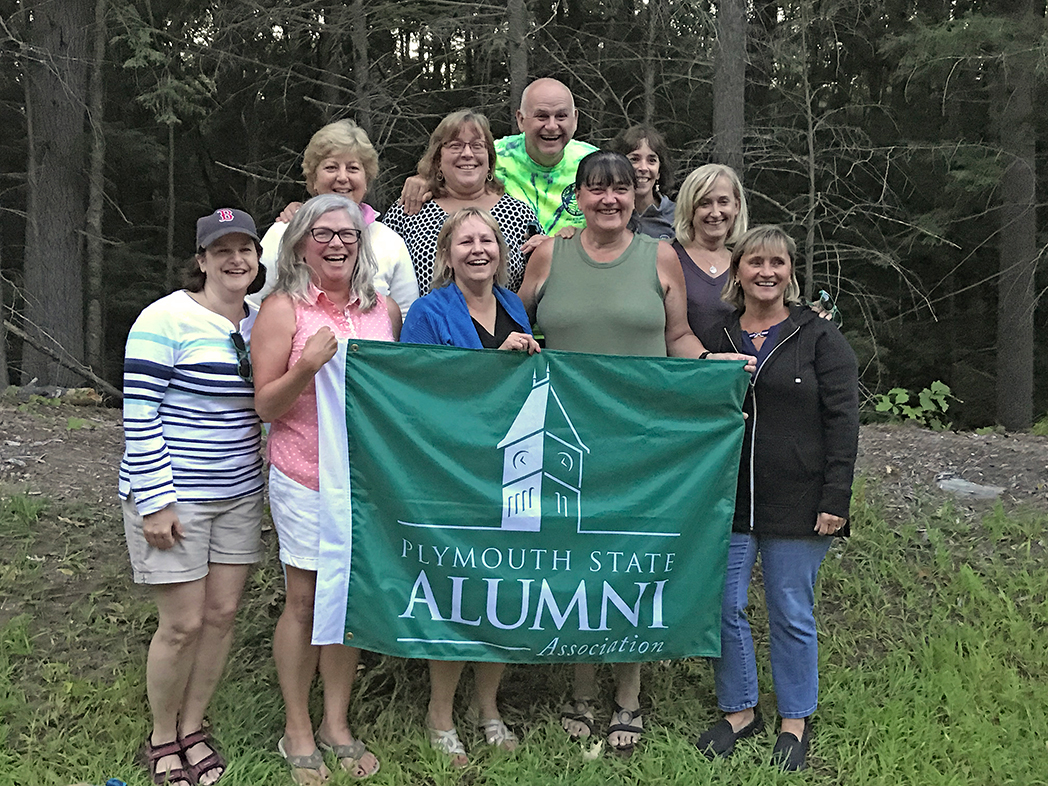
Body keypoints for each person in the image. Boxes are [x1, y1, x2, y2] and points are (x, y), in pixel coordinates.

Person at [517, 151, 754, 756]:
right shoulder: (548, 255)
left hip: (640, 440)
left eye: (620, 189)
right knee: (573, 560)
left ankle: (628, 694)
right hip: (565, 436)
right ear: (578, 196)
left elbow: (677, 335)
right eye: (596, 189)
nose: (609, 200)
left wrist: (711, 364)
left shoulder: (660, 256)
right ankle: (579, 687)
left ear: (635, 196)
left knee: (629, 561)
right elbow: (514, 326)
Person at [695, 225, 858, 772]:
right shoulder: (718, 334)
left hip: (801, 498)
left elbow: (843, 421)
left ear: (790, 273)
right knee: (724, 605)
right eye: (755, 262)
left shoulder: (818, 336)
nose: (766, 272)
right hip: (730, 497)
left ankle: (795, 720)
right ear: (737, 271)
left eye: (777, 263)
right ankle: (741, 710)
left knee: (790, 610)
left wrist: (836, 497)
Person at [252, 194, 401, 783]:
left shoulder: (383, 310)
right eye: (323, 234)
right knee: (306, 600)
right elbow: (266, 405)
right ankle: (297, 727)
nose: (337, 244)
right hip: (305, 474)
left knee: (347, 601)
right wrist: (306, 367)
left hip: (365, 479)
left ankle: (337, 723)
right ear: (300, 246)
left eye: (347, 234)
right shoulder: (281, 310)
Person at [119, 208, 266, 786]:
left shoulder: (262, 321)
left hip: (240, 492)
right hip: (176, 496)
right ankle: (162, 738)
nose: (235, 260)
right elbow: (140, 414)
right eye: (222, 250)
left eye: (245, 249)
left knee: (222, 616)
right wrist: (155, 500)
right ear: (201, 260)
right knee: (181, 623)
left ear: (258, 259)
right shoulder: (164, 319)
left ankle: (193, 725)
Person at [400, 207, 539, 766]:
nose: (478, 249)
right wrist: (488, 363)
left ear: (500, 251)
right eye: (465, 242)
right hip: (453, 470)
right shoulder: (428, 311)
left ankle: (488, 708)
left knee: (501, 591)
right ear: (446, 254)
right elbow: (417, 388)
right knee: (457, 590)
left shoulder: (514, 306)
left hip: (510, 466)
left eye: (487, 240)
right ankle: (440, 716)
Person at [250, 119, 419, 316]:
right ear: (313, 179)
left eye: (353, 168)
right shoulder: (283, 233)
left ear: (366, 180)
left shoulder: (390, 242)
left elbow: (407, 316)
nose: (342, 177)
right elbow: (253, 304)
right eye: (331, 167)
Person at [400, 79, 598, 238]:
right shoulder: (493, 156)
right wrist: (424, 178)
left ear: (575, 119)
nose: (552, 126)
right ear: (521, 120)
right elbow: (454, 164)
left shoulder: (593, 164)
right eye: (542, 116)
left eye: (561, 116)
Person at [382, 110, 538, 296]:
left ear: (490, 159)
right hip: (423, 315)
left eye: (477, 145)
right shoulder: (409, 209)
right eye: (455, 146)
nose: (467, 154)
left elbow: (541, 278)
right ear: (438, 160)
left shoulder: (518, 214)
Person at [672, 164, 749, 347]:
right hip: (679, 364)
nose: (715, 213)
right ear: (689, 208)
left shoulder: (745, 264)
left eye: (723, 202)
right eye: (704, 203)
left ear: (736, 206)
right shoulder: (668, 257)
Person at [609, 125, 676, 239]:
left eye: (652, 160)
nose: (643, 168)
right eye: (634, 159)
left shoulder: (677, 215)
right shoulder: (607, 211)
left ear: (659, 171)